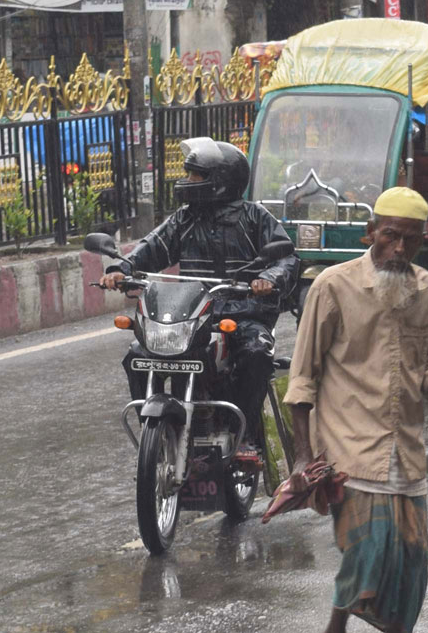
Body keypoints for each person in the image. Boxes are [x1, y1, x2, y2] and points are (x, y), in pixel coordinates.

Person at [286, 187, 428, 633]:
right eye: (389, 235)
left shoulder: (426, 289)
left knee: (413, 564)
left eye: (410, 240)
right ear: (371, 233)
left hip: (405, 448)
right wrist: (302, 458)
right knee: (369, 550)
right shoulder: (332, 286)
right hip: (349, 445)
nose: (398, 247)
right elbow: (302, 380)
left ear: (420, 243)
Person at [100, 136, 298, 459]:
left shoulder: (254, 218)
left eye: (196, 176)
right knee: (136, 354)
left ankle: (243, 436)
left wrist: (268, 278)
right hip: (193, 316)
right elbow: (152, 247)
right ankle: (158, 435)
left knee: (256, 352)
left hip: (243, 314)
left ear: (220, 182)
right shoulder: (185, 218)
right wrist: (122, 268)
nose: (188, 181)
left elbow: (287, 258)